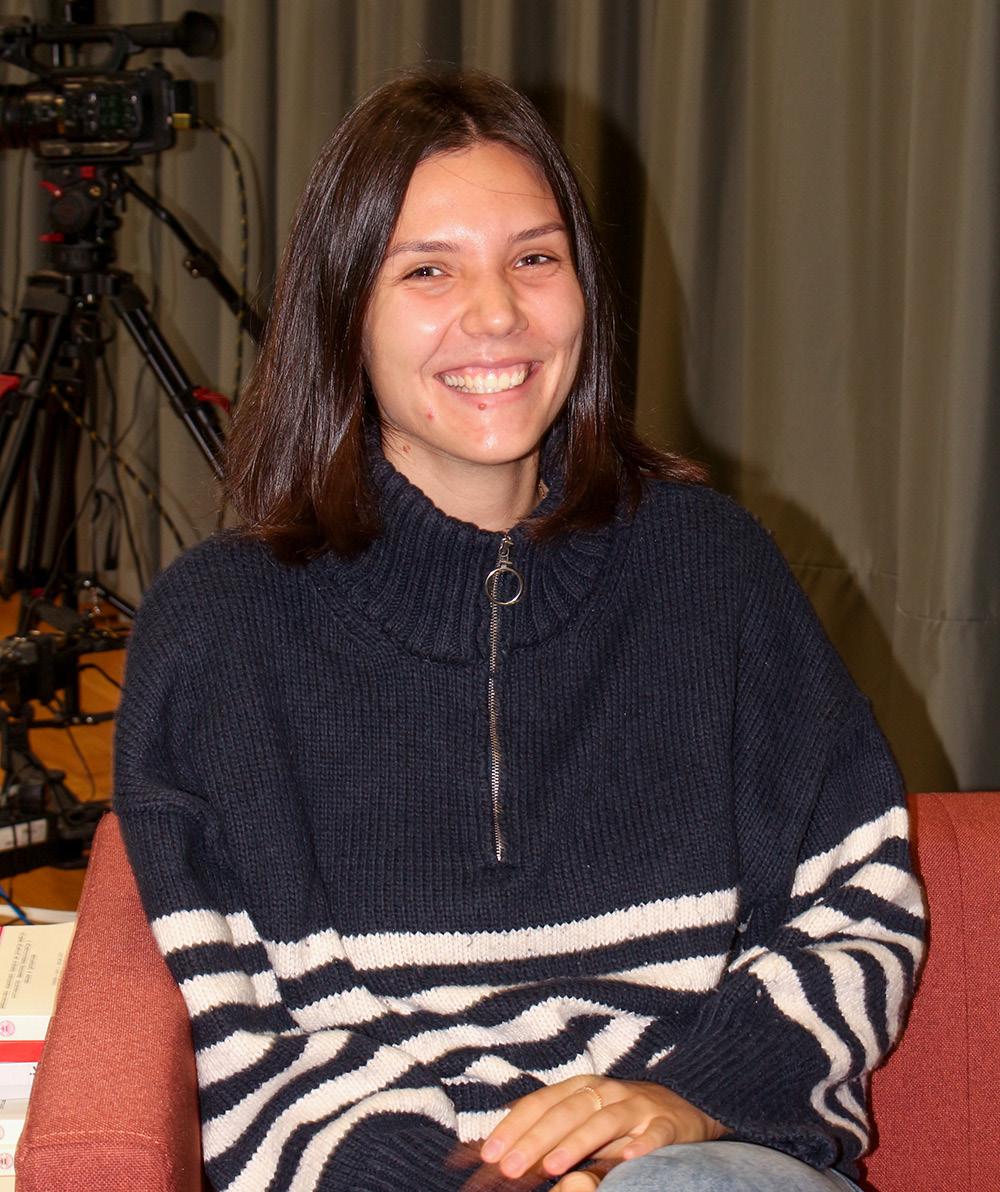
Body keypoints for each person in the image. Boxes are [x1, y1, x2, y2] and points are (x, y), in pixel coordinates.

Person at [112, 67, 925, 1192]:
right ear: (344, 313)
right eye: (428, 270)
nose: (496, 314)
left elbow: (857, 904)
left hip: (703, 1162)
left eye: (534, 260)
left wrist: (690, 1100)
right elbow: (243, 1034)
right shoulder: (218, 633)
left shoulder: (714, 570)